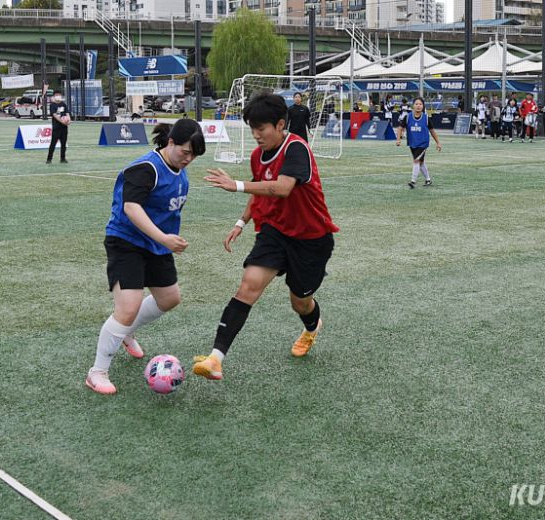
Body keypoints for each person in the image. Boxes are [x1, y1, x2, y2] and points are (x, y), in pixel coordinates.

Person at [194, 93, 339, 381]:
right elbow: (262, 190)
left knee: (300, 301)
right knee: (248, 286)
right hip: (274, 232)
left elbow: (281, 188)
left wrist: (234, 185)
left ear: (281, 124)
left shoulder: (297, 148)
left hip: (311, 239)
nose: (256, 135)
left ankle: (312, 328)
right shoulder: (257, 156)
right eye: (252, 129)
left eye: (261, 129)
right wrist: (241, 222)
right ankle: (215, 359)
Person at [85, 120, 206, 395]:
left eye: (194, 155)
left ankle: (125, 332)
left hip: (156, 246)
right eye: (185, 152)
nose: (189, 159)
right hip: (126, 242)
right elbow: (131, 207)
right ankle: (97, 372)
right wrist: (164, 238)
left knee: (169, 298)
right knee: (128, 307)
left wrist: (165, 239)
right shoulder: (146, 168)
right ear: (170, 142)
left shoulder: (179, 171)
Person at [396, 97, 442, 189]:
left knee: (416, 160)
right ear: (413, 106)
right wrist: (398, 139)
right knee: (420, 162)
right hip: (412, 143)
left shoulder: (426, 118)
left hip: (423, 143)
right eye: (416, 104)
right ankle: (428, 179)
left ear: (423, 106)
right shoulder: (408, 117)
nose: (418, 106)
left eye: (420, 104)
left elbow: (432, 131)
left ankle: (413, 181)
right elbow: (400, 128)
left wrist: (438, 143)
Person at [46, 91, 70, 164]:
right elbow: (54, 115)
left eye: (59, 95)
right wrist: (62, 121)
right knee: (53, 144)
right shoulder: (52, 105)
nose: (58, 96)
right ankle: (49, 159)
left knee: (63, 144)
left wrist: (69, 120)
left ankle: (63, 158)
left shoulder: (63, 104)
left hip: (64, 128)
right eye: (56, 95)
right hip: (56, 128)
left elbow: (67, 113)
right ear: (54, 96)